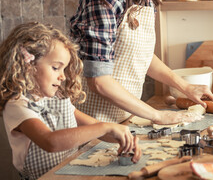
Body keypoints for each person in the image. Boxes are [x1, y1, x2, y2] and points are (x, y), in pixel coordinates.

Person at [69, 0, 213, 124]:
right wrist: (157, 115)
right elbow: (99, 81)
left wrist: (186, 87)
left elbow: (140, 55)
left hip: (124, 117)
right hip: (92, 122)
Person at [0, 22, 141, 180]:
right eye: (55, 68)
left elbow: (93, 126)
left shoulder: (58, 98)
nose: (63, 76)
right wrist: (106, 127)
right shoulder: (17, 105)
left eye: (64, 69)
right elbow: (50, 142)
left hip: (70, 174)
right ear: (28, 65)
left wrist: (123, 140)